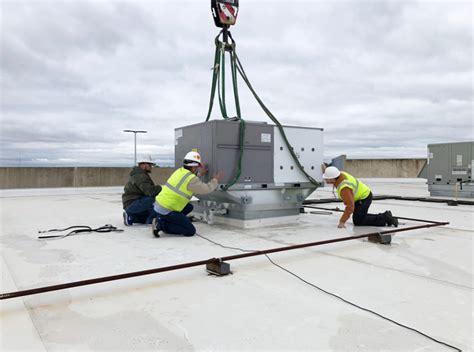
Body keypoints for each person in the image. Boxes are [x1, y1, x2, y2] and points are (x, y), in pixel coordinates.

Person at [152, 151, 223, 237]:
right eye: (197, 167)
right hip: (167, 209)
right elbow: (206, 189)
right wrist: (215, 180)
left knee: (189, 207)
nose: (197, 169)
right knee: (190, 231)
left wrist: (200, 174)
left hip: (160, 204)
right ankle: (160, 225)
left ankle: (168, 219)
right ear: (193, 167)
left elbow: (188, 179)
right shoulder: (191, 179)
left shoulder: (179, 171)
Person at [321, 165, 398, 228]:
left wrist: (342, 221)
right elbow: (332, 172)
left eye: (326, 178)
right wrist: (326, 169)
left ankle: (385, 218)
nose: (325, 179)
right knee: (360, 217)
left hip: (364, 198)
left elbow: (350, 206)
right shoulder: (339, 174)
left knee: (358, 221)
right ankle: (385, 216)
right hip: (360, 196)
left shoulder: (344, 188)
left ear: (332, 179)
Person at [122, 155, 162, 226]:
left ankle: (131, 217)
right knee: (154, 199)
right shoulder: (140, 176)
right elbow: (150, 192)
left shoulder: (140, 174)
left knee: (149, 214)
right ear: (143, 164)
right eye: (149, 164)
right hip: (132, 203)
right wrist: (161, 188)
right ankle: (130, 213)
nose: (151, 167)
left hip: (134, 202)